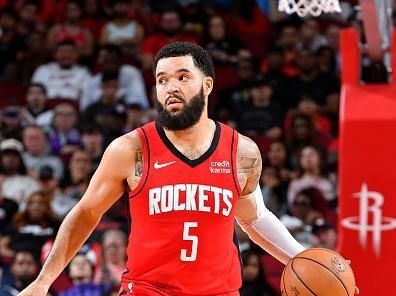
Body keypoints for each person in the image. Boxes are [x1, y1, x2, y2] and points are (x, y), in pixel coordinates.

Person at [17, 42, 357, 296]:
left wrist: (304, 259)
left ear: (207, 85)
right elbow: (85, 213)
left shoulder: (242, 152)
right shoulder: (130, 149)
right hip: (148, 290)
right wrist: (42, 281)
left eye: (183, 76)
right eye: (162, 79)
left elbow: (253, 218)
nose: (171, 87)